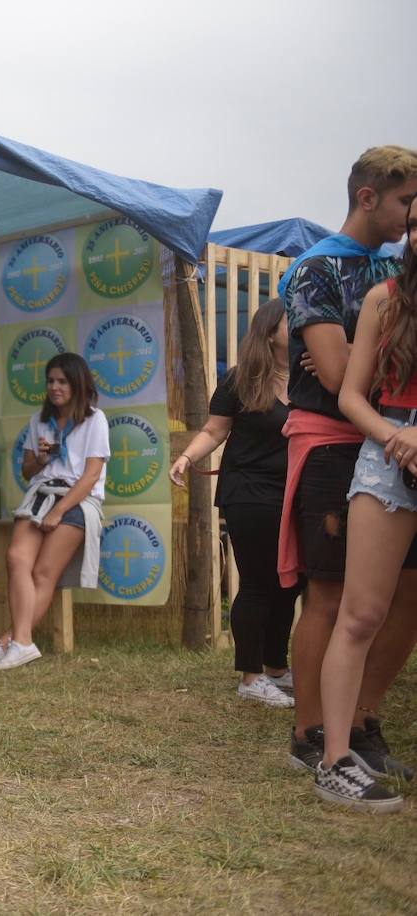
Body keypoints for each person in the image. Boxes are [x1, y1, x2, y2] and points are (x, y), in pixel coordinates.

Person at [276, 146, 417, 779]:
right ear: (369, 197)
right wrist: (356, 352)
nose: (410, 217)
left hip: (386, 442)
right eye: (405, 202)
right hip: (337, 445)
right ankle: (312, 732)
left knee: (403, 601)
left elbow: (349, 360)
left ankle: (360, 719)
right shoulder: (316, 269)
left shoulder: (396, 268)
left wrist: (353, 344)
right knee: (330, 597)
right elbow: (336, 377)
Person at [313, 195, 417, 812]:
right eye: (414, 223)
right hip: (389, 456)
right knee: (358, 615)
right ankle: (333, 761)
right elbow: (351, 395)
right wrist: (397, 437)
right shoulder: (386, 299)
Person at [169, 301, 298, 707]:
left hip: (294, 492)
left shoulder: (312, 376)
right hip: (249, 492)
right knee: (259, 582)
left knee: (289, 584)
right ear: (269, 331)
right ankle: (250, 676)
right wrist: (188, 457)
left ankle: (277, 667)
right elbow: (214, 429)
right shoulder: (241, 380)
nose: (301, 324)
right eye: (289, 319)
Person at [0, 354, 108, 672]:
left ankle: (10, 642)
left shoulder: (95, 419)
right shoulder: (40, 421)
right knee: (16, 558)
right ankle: (19, 642)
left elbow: (90, 476)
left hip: (77, 499)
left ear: (77, 383)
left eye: (62, 381)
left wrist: (60, 511)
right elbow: (27, 470)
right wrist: (44, 458)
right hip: (40, 494)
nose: (55, 387)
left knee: (43, 573)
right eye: (51, 381)